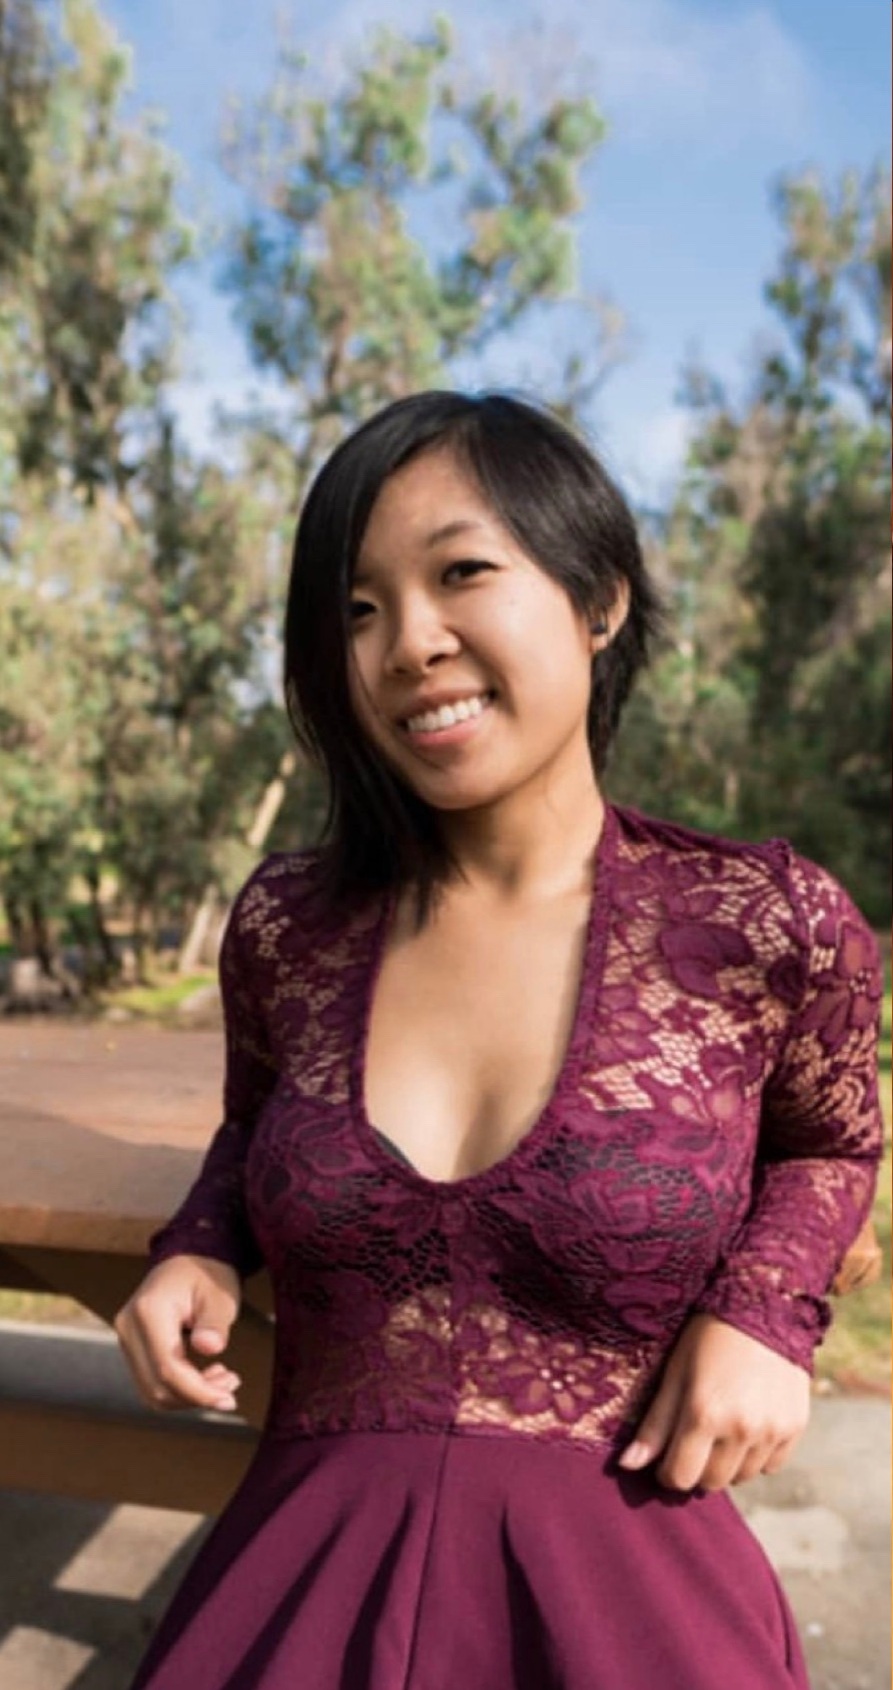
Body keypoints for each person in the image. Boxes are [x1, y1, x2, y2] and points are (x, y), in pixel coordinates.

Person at [116, 390, 883, 1690]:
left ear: (601, 600)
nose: (408, 642)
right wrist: (198, 1244)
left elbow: (829, 1142)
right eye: (358, 609)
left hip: (628, 1611)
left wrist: (768, 1310)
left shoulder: (761, 923)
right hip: (300, 1592)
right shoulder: (289, 926)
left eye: (461, 572)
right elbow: (254, 1124)